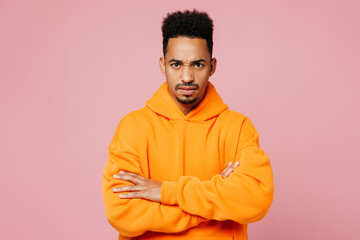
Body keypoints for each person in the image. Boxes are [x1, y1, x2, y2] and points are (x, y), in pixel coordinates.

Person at [102, 9, 274, 240]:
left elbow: (256, 199)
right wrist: (213, 205)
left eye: (197, 64)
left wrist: (164, 192)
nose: (186, 77)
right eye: (176, 64)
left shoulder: (239, 128)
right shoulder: (132, 127)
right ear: (162, 65)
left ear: (212, 66)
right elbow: (122, 213)